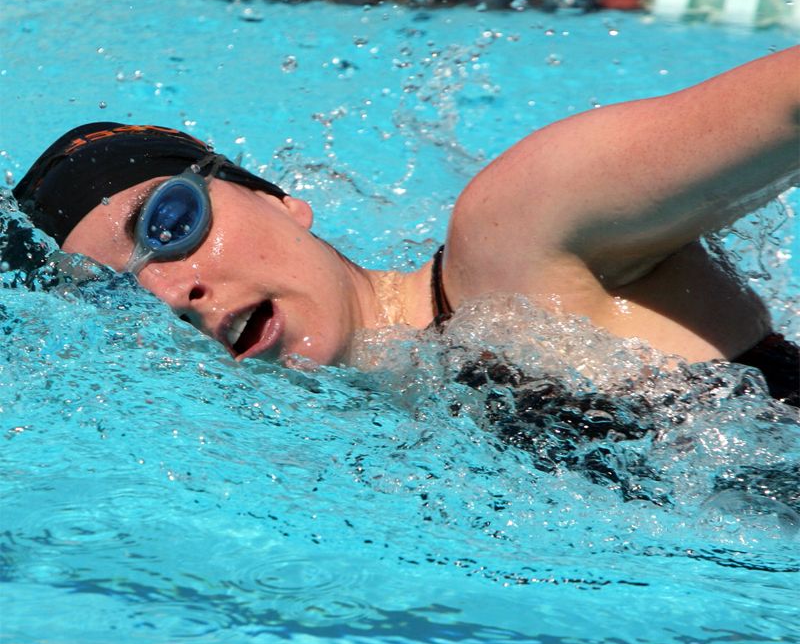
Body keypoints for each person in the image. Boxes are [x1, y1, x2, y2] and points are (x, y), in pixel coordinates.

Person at [13, 46, 800, 406]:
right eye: (126, 294)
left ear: (281, 198)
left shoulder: (515, 237)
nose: (172, 291)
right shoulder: (377, 423)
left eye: (171, 223)